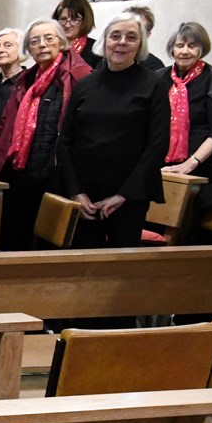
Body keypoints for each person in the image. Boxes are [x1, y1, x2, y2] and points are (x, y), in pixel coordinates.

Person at [0, 19, 94, 251]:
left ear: (62, 43)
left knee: (46, 248)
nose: (42, 45)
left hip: (57, 178)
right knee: (13, 243)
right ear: (28, 50)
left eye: (49, 38)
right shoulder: (26, 81)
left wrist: (77, 186)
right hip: (22, 174)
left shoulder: (80, 78)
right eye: (34, 41)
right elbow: (3, 128)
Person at [58, 13, 169, 249]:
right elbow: (65, 141)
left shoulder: (154, 84)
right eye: (115, 36)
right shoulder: (85, 84)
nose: (122, 42)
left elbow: (157, 145)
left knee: (120, 264)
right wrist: (76, 191)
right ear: (105, 40)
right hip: (85, 196)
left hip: (129, 196)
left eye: (131, 37)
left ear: (140, 44)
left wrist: (124, 195)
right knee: (81, 261)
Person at [161, 21, 212, 185]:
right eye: (180, 46)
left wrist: (190, 163)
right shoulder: (160, 77)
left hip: (199, 165)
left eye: (192, 46)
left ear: (201, 49)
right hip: (161, 162)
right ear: (172, 49)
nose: (185, 51)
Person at [53, 0, 100, 67]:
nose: (67, 25)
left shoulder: (96, 49)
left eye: (74, 19)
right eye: (63, 19)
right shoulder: (50, 46)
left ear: (85, 21)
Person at [123, 5, 169, 73]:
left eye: (139, 28)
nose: (131, 31)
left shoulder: (154, 66)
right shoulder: (110, 59)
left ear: (147, 35)